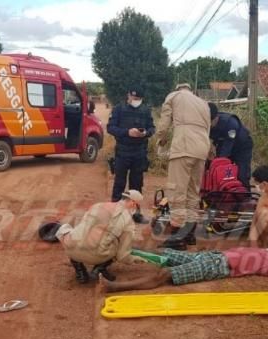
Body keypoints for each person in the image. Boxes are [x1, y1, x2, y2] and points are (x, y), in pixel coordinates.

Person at [98, 246, 268, 292]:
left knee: (165, 275)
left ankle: (115, 287)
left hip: (218, 266)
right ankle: (117, 249)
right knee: (164, 252)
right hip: (212, 256)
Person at [154, 83, 213, 248]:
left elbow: (164, 123)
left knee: (176, 190)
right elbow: (208, 129)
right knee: (193, 192)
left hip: (183, 147)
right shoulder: (203, 104)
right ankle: (190, 234)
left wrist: (161, 139)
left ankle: (177, 237)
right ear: (190, 90)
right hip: (201, 149)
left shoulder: (173, 96)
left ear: (178, 88)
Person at [57, 190, 146, 284]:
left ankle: (80, 271)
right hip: (96, 256)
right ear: (132, 203)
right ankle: (99, 269)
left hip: (71, 249)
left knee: (70, 231)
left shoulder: (98, 205)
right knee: (119, 245)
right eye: (137, 205)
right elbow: (122, 256)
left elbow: (82, 228)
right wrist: (133, 259)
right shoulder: (128, 221)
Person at [107, 87, 155, 224]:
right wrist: (126, 132)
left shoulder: (146, 111)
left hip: (139, 152)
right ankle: (115, 213)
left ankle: (136, 214)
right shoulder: (119, 109)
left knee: (137, 185)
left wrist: (145, 133)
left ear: (142, 99)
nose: (135, 101)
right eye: (133, 99)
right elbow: (110, 128)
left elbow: (152, 128)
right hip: (122, 151)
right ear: (128, 96)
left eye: (138, 99)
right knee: (119, 183)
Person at [208, 102, 254, 188]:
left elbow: (227, 147)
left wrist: (218, 162)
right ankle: (225, 196)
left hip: (242, 147)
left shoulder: (230, 123)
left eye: (211, 122)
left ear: (216, 118)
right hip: (223, 145)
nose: (209, 125)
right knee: (220, 174)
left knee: (241, 174)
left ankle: (245, 196)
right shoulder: (206, 125)